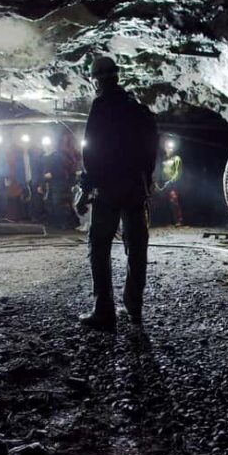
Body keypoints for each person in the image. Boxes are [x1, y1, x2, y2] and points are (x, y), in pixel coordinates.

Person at [79, 55, 157, 330]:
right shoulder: (137, 109)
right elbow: (151, 149)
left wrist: (87, 186)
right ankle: (133, 308)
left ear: (98, 79)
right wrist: (146, 180)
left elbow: (91, 150)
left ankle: (104, 311)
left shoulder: (102, 106)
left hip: (109, 188)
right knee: (136, 248)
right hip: (135, 189)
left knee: (99, 248)